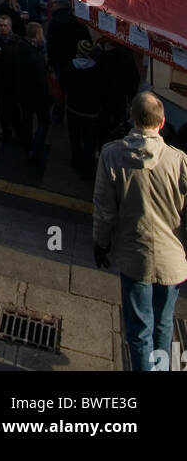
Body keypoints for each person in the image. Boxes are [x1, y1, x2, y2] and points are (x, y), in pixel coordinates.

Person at [93, 91, 187, 372]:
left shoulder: (112, 155)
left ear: (132, 118)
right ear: (162, 123)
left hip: (135, 257)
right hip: (173, 260)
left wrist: (101, 243)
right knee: (163, 323)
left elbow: (104, 209)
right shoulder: (180, 161)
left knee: (138, 330)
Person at [62, 39, 104, 178]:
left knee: (74, 136)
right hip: (91, 111)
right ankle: (87, 168)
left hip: (73, 107)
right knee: (89, 140)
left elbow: (65, 85)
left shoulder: (70, 66)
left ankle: (76, 161)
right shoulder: (97, 69)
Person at [46, 0, 86, 124]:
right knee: (73, 89)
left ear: (60, 6)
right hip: (73, 60)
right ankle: (73, 115)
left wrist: (51, 63)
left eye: (54, 5)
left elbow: (50, 44)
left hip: (59, 61)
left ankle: (58, 115)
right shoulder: (76, 20)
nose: (52, 7)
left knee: (59, 90)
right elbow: (84, 38)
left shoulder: (54, 21)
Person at [17, 23, 51, 168]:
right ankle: (35, 148)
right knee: (44, 122)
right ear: (37, 35)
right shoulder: (36, 56)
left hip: (24, 93)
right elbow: (41, 81)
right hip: (36, 95)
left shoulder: (20, 47)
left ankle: (27, 147)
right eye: (41, 34)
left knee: (27, 120)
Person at [0, 14, 23, 143]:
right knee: (2, 108)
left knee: (14, 108)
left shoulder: (18, 41)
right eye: (1, 25)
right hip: (1, 79)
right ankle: (6, 131)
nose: (3, 28)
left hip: (14, 79)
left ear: (10, 26)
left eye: (5, 26)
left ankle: (19, 132)